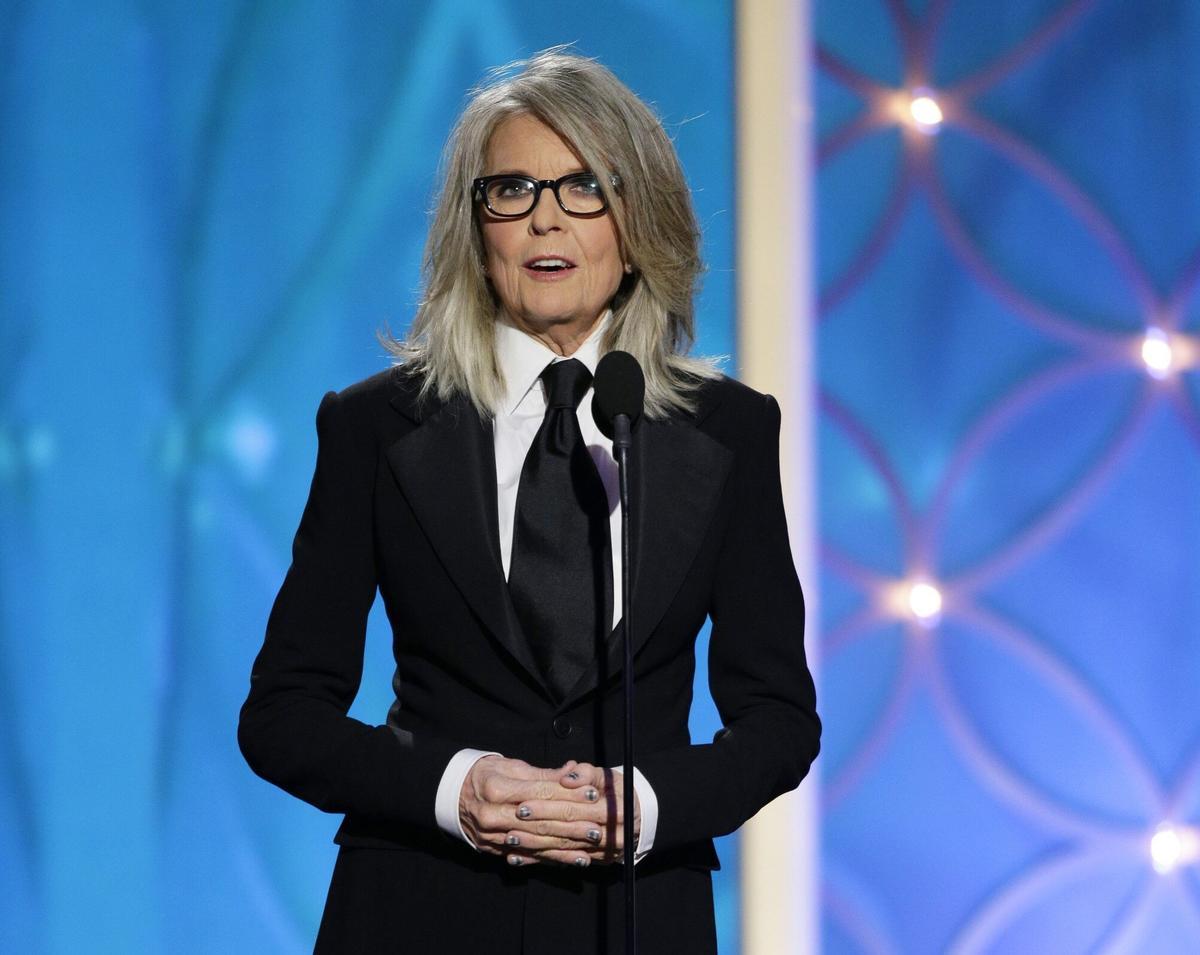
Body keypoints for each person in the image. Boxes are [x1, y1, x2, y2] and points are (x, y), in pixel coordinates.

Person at [237, 48, 819, 954]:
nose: (547, 219)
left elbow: (780, 721)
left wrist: (652, 803)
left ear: (639, 219)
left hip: (634, 919)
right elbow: (282, 715)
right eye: (512, 190)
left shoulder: (728, 433)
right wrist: (452, 785)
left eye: (584, 186)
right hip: (416, 910)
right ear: (477, 228)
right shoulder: (376, 428)